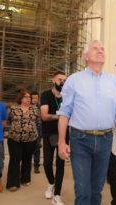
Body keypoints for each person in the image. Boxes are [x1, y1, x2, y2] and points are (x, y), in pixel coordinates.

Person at [57, 40, 116, 205]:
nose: (100, 50)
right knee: (83, 190)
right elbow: (64, 113)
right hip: (80, 140)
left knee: (97, 189)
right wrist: (62, 142)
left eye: (102, 48)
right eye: (95, 48)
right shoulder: (74, 80)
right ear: (86, 56)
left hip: (106, 140)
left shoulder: (114, 81)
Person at [41, 72, 67, 205]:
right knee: (47, 163)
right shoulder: (46, 95)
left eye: (64, 80)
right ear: (53, 81)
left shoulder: (68, 96)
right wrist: (62, 116)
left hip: (64, 134)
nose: (62, 82)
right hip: (48, 134)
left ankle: (57, 195)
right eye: (60, 79)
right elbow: (44, 116)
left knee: (60, 164)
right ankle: (51, 183)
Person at [6, 91, 40, 192]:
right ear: (20, 98)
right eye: (25, 97)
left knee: (27, 159)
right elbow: (8, 120)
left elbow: (38, 122)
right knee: (15, 160)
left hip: (31, 139)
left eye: (29, 97)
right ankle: (13, 183)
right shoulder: (13, 109)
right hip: (15, 139)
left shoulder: (35, 109)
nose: (28, 99)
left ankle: (25, 179)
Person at [31, 91, 42, 174]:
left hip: (38, 129)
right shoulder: (27, 107)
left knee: (37, 147)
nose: (34, 100)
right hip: (28, 130)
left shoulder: (41, 108)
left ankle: (36, 166)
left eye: (36, 98)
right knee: (27, 148)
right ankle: (26, 164)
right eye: (33, 98)